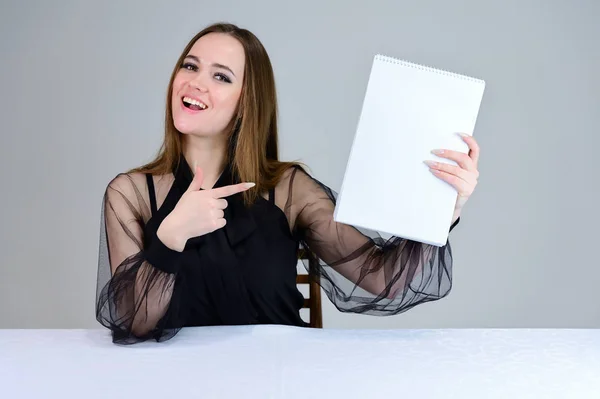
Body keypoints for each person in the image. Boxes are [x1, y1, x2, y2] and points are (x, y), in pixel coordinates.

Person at [95, 22, 481, 345]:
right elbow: (134, 321)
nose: (195, 82)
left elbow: (382, 279)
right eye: (190, 66)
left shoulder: (288, 190)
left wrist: (444, 210)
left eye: (220, 76)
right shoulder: (130, 194)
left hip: (279, 378)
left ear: (247, 102)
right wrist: (172, 236)